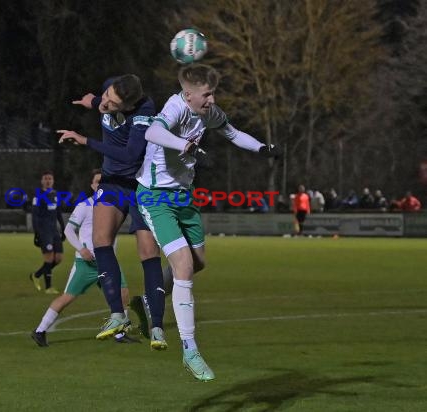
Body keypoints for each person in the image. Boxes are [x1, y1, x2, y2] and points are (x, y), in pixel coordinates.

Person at [136, 64, 280, 381]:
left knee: (198, 262)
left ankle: (151, 297)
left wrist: (261, 147)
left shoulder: (208, 112)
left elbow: (232, 133)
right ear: (188, 95)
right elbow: (153, 132)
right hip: (156, 198)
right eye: (207, 94)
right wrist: (186, 145)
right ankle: (190, 350)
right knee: (184, 265)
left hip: (184, 197)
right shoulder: (175, 107)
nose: (212, 99)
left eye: (213, 93)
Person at [57, 74, 168, 350]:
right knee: (101, 241)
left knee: (148, 253)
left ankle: (156, 328)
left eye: (112, 102)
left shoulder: (144, 112)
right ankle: (118, 315)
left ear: (128, 107)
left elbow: (131, 155)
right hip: (111, 182)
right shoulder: (110, 92)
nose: (105, 103)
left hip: (140, 185)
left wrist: (86, 141)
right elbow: (101, 100)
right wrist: (92, 100)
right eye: (106, 95)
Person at [31, 170, 133, 346]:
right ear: (93, 185)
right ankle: (40, 330)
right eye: (97, 182)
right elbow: (68, 230)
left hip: (108, 262)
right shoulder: (85, 205)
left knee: (123, 294)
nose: (101, 185)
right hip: (87, 263)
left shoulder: (115, 206)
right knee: (67, 297)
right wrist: (81, 249)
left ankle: (120, 333)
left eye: (104, 182)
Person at [30, 170, 66, 294]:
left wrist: (63, 228)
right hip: (44, 231)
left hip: (54, 231)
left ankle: (36, 275)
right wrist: (36, 233)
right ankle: (48, 287)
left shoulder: (55, 194)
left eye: (50, 178)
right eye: (45, 178)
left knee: (59, 258)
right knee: (49, 258)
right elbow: (34, 216)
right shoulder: (38, 196)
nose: (48, 181)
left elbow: (58, 213)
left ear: (53, 181)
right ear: (42, 181)